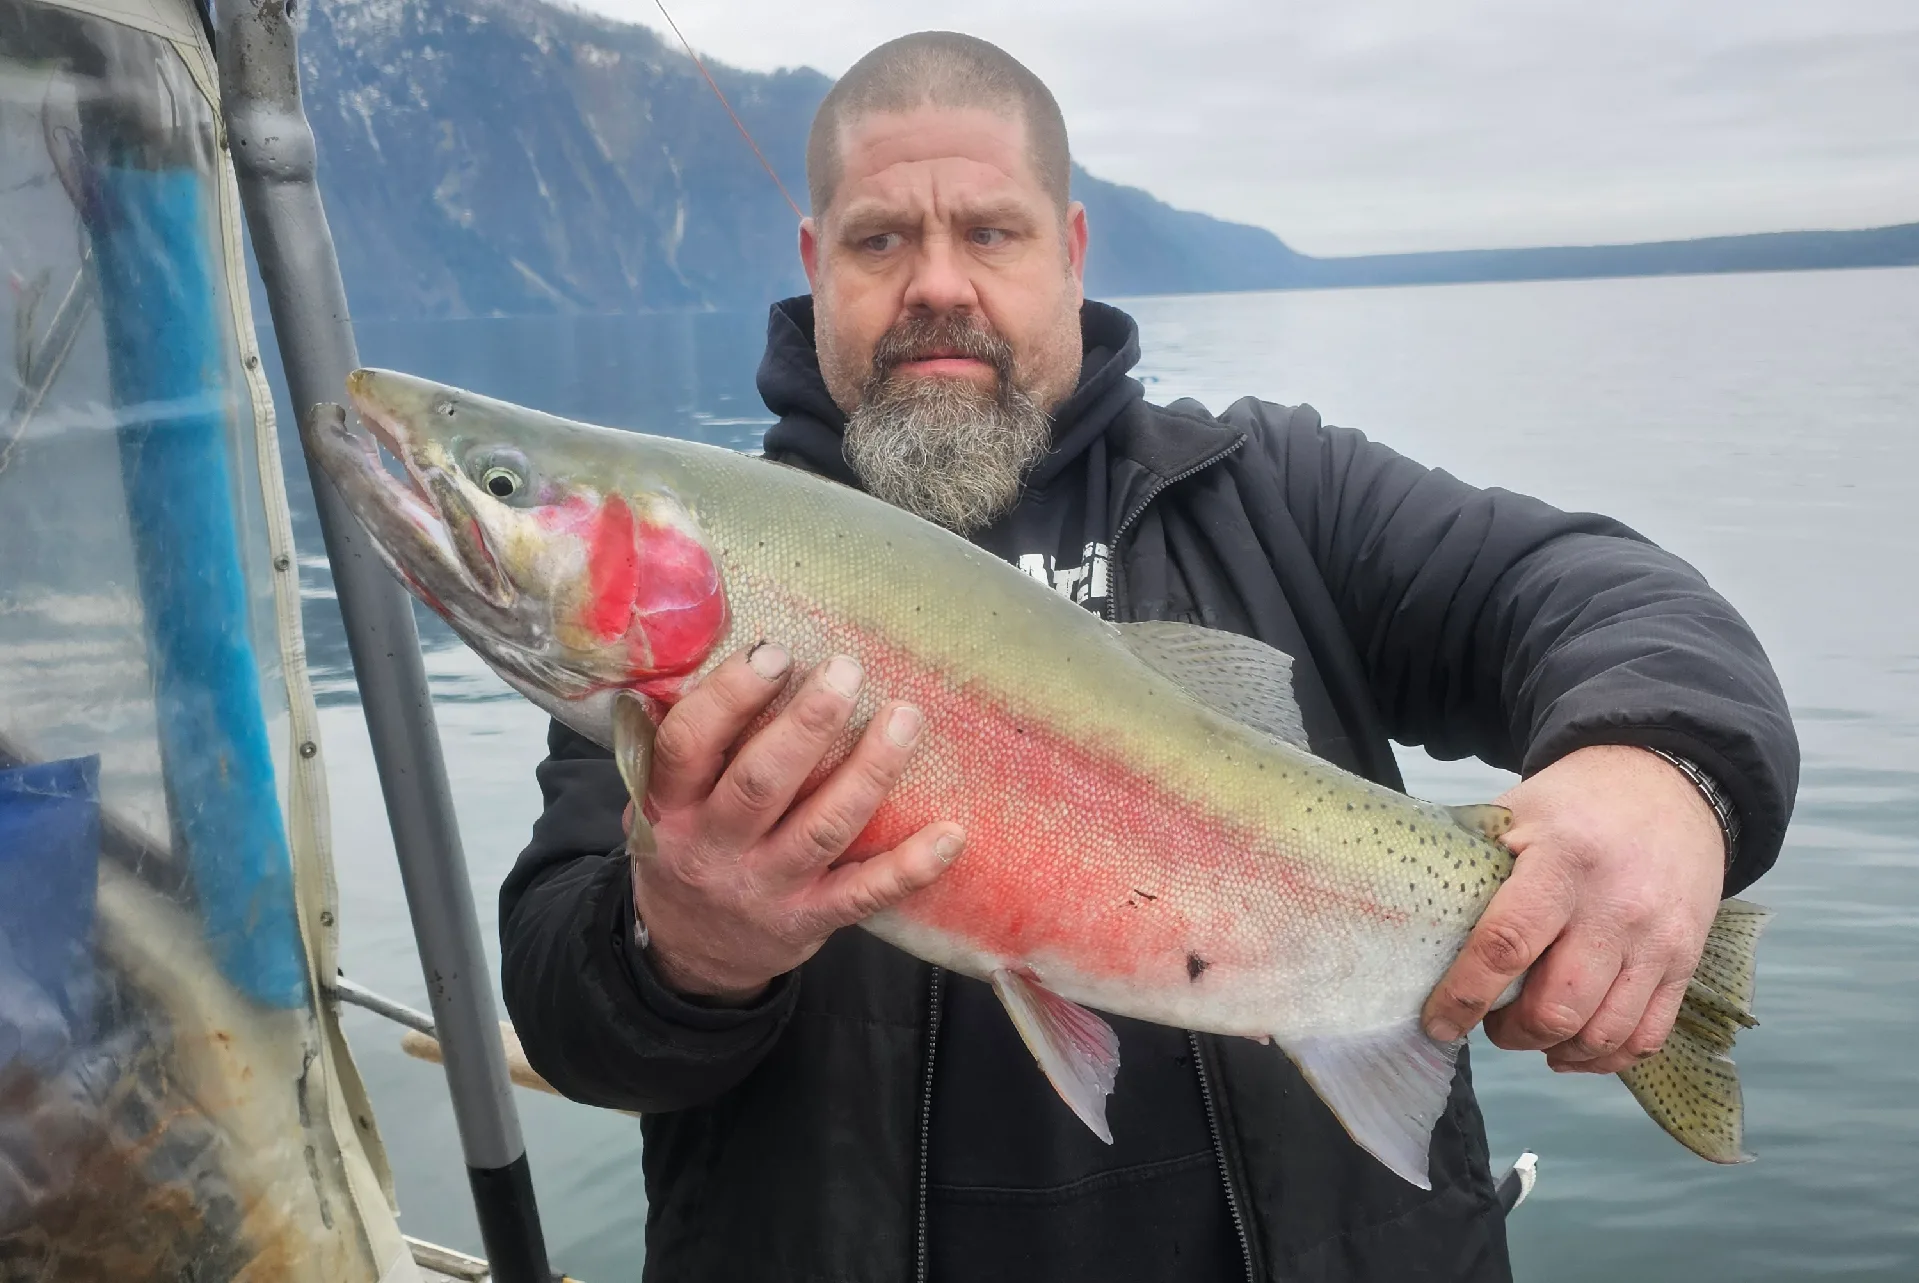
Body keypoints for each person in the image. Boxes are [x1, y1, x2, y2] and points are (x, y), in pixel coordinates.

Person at [499, 31, 1797, 1283]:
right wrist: (684, 945)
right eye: (881, 237)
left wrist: (1658, 766)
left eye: (989, 231)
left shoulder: (1274, 490)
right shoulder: (703, 604)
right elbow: (572, 1010)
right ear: (812, 259)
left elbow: (1592, 591)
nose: (936, 281)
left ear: (1068, 252)